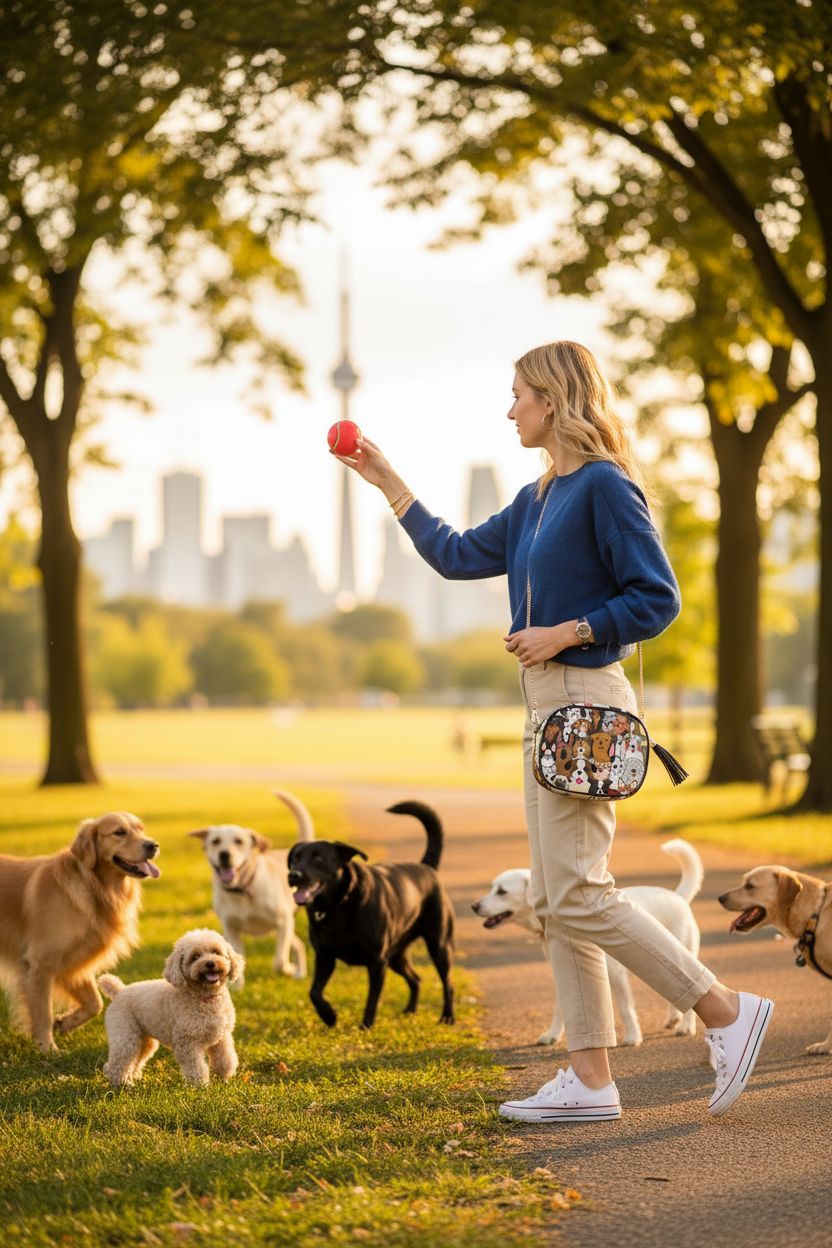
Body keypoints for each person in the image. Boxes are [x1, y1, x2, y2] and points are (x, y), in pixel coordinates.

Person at [331, 339, 773, 1122]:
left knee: (577, 891)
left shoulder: (605, 486)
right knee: (562, 899)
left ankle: (725, 1011)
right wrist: (389, 483)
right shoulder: (538, 498)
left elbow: (656, 597)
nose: (510, 410)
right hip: (542, 708)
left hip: (585, 703)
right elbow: (457, 556)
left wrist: (568, 630)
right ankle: (591, 1080)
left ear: (555, 398)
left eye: (518, 395)